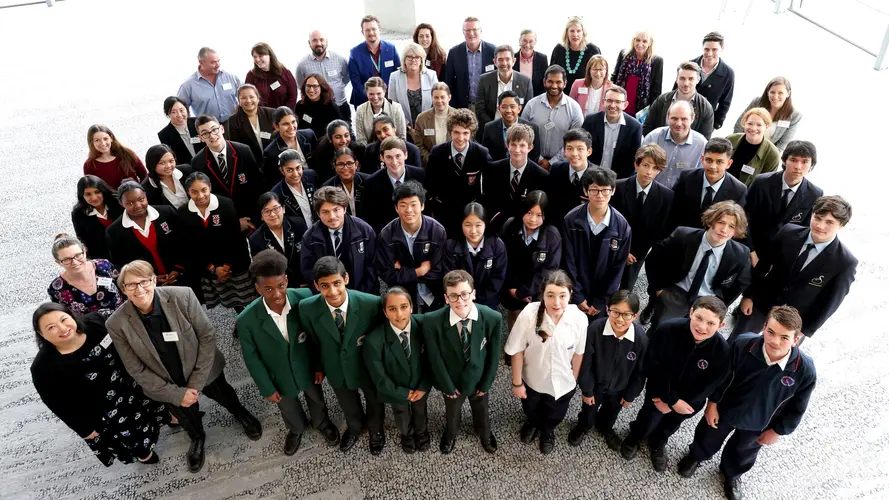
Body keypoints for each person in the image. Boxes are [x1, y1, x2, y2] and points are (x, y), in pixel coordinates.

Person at [107, 261, 262, 473]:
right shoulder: (116, 323)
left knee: (225, 395)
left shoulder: (183, 296)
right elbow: (135, 369)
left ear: (154, 280)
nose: (139, 289)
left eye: (144, 281)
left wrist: (195, 385)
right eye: (131, 285)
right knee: (186, 417)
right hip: (166, 383)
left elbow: (207, 336)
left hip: (203, 367)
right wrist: (176, 393)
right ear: (123, 289)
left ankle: (240, 413)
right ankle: (197, 437)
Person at [679, 306, 816, 500]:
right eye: (770, 332)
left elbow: (798, 407)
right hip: (726, 410)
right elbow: (722, 377)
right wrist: (712, 404)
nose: (775, 341)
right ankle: (697, 456)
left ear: (796, 340)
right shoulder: (742, 345)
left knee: (743, 451)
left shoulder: (804, 370)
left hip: (761, 423)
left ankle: (732, 474)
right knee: (708, 436)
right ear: (765, 326)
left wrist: (777, 431)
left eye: (784, 337)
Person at [31, 303, 169, 466]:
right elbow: (57, 404)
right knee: (134, 435)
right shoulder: (43, 367)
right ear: (41, 334)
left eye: (64, 319)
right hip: (105, 410)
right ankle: (145, 455)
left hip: (131, 384)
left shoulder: (96, 322)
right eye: (51, 327)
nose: (62, 328)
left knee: (157, 406)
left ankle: (171, 419)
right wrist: (84, 429)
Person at [236, 250, 341, 456]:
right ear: (258, 289)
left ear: (286, 280)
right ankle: (296, 428)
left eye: (281, 286)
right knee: (288, 406)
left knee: (316, 397)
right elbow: (252, 358)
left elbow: (314, 338)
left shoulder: (304, 298)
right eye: (268, 289)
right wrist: (266, 387)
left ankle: (321, 422)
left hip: (307, 366)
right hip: (278, 375)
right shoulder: (246, 320)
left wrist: (319, 365)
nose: (276, 294)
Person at [619, 297, 731, 472]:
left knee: (670, 426)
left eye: (711, 323)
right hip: (658, 392)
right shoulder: (667, 329)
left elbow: (711, 384)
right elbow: (654, 366)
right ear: (691, 312)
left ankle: (657, 444)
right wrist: (670, 399)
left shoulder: (722, 351)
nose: (702, 327)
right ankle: (635, 437)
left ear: (721, 326)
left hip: (688, 403)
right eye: (699, 318)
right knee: (647, 418)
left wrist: (676, 404)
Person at [731, 195, 857, 342]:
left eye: (829, 222)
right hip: (760, 304)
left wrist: (805, 330)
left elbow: (830, 303)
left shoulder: (845, 262)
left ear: (841, 225)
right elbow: (762, 266)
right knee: (737, 341)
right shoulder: (788, 233)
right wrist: (748, 295)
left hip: (793, 322)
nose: (820, 226)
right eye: (817, 218)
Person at [299, 257, 386, 454]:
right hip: (335, 366)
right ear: (316, 286)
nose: (332, 291)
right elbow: (312, 341)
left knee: (374, 399)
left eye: (337, 283)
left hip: (367, 366)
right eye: (324, 286)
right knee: (347, 401)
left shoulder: (371, 304)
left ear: (346, 278)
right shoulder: (307, 308)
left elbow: (382, 338)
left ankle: (376, 430)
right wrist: (318, 366)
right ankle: (354, 427)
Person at [506, 270, 585, 454]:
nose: (556, 302)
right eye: (550, 295)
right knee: (531, 407)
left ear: (570, 294)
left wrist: (573, 378)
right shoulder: (529, 315)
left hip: (563, 383)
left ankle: (548, 431)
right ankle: (532, 423)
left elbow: (578, 353)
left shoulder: (580, 319)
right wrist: (517, 383)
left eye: (562, 296)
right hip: (533, 379)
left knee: (555, 413)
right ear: (542, 295)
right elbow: (517, 349)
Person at [424, 270, 502, 454]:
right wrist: (447, 386)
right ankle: (450, 434)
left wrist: (486, 383)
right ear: (446, 298)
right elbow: (435, 357)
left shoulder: (492, 318)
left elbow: (493, 355)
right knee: (452, 411)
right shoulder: (432, 321)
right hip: (452, 381)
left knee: (482, 410)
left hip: (479, 379)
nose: (460, 300)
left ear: (473, 293)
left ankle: (485, 433)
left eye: (464, 294)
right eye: (453, 296)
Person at [644, 201, 752, 330]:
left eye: (731, 226)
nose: (724, 230)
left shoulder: (741, 254)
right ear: (711, 221)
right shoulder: (682, 236)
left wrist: (720, 305)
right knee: (659, 332)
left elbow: (740, 284)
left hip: (707, 302)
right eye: (721, 222)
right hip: (675, 295)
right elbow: (654, 258)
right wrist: (658, 289)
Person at [568, 290, 648, 449]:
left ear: (635, 316)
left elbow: (641, 372)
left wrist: (630, 394)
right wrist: (587, 390)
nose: (620, 319)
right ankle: (583, 426)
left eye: (626, 315)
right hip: (596, 385)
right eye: (615, 312)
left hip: (620, 388)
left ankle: (605, 427)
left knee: (611, 412)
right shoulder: (595, 329)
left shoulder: (641, 339)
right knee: (588, 410)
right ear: (607, 309)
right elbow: (586, 363)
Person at [363, 287, 432, 454]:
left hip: (419, 384)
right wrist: (402, 393)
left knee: (420, 409)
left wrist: (424, 386)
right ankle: (406, 434)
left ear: (412, 307)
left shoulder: (425, 327)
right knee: (400, 412)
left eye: (404, 307)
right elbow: (379, 377)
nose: (399, 314)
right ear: (385, 312)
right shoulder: (374, 340)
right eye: (392, 309)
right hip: (395, 388)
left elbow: (433, 361)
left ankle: (422, 432)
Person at [177, 172, 257, 312]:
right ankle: (240, 317)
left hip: (232, 262)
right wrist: (213, 268)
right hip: (208, 265)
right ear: (188, 192)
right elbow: (191, 246)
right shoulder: (183, 213)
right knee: (231, 299)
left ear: (210, 187)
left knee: (246, 296)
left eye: (203, 190)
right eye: (194, 192)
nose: (200, 196)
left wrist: (226, 266)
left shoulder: (225, 204)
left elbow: (235, 239)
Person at [562, 167, 631, 319]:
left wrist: (602, 301)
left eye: (605, 190)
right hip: (575, 292)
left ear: (612, 191)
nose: (600, 195)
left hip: (602, 297)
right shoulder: (571, 220)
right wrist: (577, 296)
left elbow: (618, 269)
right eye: (594, 190)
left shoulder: (622, 226)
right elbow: (568, 261)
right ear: (586, 191)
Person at [743, 141, 823, 267]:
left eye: (805, 162)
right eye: (793, 160)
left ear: (811, 165)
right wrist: (751, 251)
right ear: (784, 161)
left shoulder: (815, 194)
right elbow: (744, 218)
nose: (798, 166)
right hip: (749, 249)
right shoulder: (761, 182)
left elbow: (804, 231)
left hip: (780, 259)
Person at [375, 181, 446, 312]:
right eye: (403, 205)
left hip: (433, 295)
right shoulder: (386, 235)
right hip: (401, 297)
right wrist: (418, 271)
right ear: (396, 208)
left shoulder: (437, 231)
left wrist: (403, 272)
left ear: (422, 206)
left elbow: (438, 271)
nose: (409, 210)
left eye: (414, 205)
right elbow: (386, 274)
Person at [610, 144, 674, 291]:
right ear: (636, 164)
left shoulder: (666, 195)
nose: (649, 172)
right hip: (613, 246)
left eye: (655, 168)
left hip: (638, 254)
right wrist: (622, 250)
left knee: (626, 289)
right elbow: (611, 221)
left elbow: (659, 229)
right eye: (646, 165)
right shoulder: (618, 187)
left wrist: (638, 253)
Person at [105, 182, 186, 287]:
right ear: (121, 203)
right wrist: (150, 278)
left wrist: (178, 268)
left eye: (141, 199)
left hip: (183, 274)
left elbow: (185, 241)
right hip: (147, 285)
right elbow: (121, 264)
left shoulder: (167, 213)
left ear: (146, 196)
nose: (138, 206)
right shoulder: (114, 231)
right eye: (130, 203)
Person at [500, 191, 562, 329]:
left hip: (537, 288)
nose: (533, 219)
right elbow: (504, 260)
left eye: (539, 215)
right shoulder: (510, 226)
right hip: (513, 286)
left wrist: (527, 291)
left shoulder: (552, 235)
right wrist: (514, 289)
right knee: (515, 316)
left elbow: (549, 269)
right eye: (529, 213)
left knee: (535, 322)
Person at [426, 108, 493, 235]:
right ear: (450, 131)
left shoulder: (481, 153)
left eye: (465, 133)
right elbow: (429, 185)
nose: (460, 138)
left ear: (471, 133)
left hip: (470, 213)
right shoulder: (437, 152)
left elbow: (489, 186)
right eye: (456, 132)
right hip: (444, 212)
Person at [300, 186, 377, 294]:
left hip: (362, 294)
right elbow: (308, 272)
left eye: (336, 210)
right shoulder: (310, 237)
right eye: (325, 212)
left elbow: (372, 267)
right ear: (318, 214)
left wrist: (361, 295)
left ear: (344, 209)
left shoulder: (364, 230)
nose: (332, 216)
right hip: (327, 296)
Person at [190, 115, 264, 227]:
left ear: (222, 129)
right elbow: (207, 199)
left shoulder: (243, 151)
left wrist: (255, 217)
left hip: (252, 215)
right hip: (226, 220)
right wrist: (234, 222)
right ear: (200, 137)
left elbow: (257, 186)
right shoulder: (198, 162)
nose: (212, 135)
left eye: (214, 129)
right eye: (205, 133)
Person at [668, 137, 748, 232]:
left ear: (729, 164)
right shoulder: (686, 178)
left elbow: (735, 226)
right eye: (709, 160)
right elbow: (671, 212)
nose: (713, 166)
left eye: (719, 162)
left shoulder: (738, 190)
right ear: (702, 159)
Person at [481, 123, 548, 228]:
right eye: (513, 145)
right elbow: (488, 202)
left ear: (530, 147)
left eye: (522, 145)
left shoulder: (542, 176)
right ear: (507, 145)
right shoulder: (492, 170)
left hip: (524, 229)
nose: (517, 150)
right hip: (496, 227)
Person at [443, 203, 508, 310]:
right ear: (461, 224)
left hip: (488, 303)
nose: (473, 231)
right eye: (468, 225)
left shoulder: (497, 245)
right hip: (459, 302)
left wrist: (481, 306)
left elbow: (498, 278)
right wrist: (464, 300)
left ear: (485, 224)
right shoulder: (451, 246)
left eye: (478, 225)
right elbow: (449, 277)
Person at [520, 65, 584, 169]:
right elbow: (523, 135)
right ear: (544, 82)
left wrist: (553, 162)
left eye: (558, 82)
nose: (554, 86)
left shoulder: (574, 108)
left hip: (563, 165)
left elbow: (574, 140)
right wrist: (539, 159)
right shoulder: (531, 105)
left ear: (565, 83)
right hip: (533, 163)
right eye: (550, 81)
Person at [360, 136, 426, 234]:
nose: (394, 162)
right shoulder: (371, 183)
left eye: (398, 156)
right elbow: (370, 218)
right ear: (382, 158)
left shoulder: (421, 176)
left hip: (419, 232)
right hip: (387, 235)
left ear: (405, 155)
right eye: (389, 157)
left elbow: (427, 210)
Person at [47, 234, 124, 317]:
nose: (75, 262)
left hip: (124, 321)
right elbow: (62, 317)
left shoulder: (104, 266)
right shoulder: (57, 289)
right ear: (58, 262)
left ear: (84, 252)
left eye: (78, 255)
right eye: (66, 260)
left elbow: (125, 289)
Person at [641, 101, 708, 188]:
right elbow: (640, 169)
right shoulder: (653, 138)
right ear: (668, 117)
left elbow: (702, 177)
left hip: (682, 197)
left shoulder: (701, 145)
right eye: (674, 118)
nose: (678, 123)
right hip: (652, 193)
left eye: (684, 119)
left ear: (692, 118)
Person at [581, 86, 643, 178]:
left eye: (618, 102)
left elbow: (633, 159)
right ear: (603, 102)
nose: (613, 105)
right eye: (609, 100)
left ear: (625, 105)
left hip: (618, 179)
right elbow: (582, 149)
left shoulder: (635, 127)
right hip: (590, 175)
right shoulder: (590, 121)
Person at [249, 192, 309, 288]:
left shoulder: (298, 224)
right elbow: (261, 271)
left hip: (305, 282)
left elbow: (309, 254)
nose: (272, 214)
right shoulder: (255, 239)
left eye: (276, 209)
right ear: (261, 216)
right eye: (267, 211)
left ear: (283, 209)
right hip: (280, 287)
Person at [643, 61, 715, 139]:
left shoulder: (706, 108)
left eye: (691, 79)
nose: (686, 83)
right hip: (659, 148)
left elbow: (704, 139)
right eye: (682, 78)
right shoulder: (662, 100)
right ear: (677, 79)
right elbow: (647, 127)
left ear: (698, 80)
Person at [297, 30, 352, 123]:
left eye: (321, 40)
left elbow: (346, 78)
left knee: (346, 134)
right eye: (314, 40)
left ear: (327, 41)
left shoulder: (340, 60)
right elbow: (301, 85)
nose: (319, 43)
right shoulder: (302, 65)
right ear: (309, 43)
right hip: (316, 111)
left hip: (340, 105)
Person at [733, 77, 800, 152]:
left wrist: (766, 158)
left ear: (788, 93)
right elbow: (740, 124)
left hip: (766, 153)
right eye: (772, 92)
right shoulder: (757, 102)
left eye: (780, 93)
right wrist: (738, 146)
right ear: (767, 92)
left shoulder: (795, 116)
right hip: (742, 145)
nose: (775, 96)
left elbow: (782, 144)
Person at [475, 45, 534, 131]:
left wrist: (516, 129)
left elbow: (528, 110)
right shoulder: (484, 80)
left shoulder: (526, 81)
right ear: (495, 62)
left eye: (507, 59)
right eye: (500, 60)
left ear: (513, 61)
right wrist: (493, 128)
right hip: (491, 130)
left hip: (518, 132)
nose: (504, 63)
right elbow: (480, 110)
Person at [685, 32, 735, 131]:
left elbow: (725, 103)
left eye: (714, 49)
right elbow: (675, 91)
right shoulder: (689, 65)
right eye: (706, 49)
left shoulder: (728, 73)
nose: (709, 53)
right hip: (682, 116)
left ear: (722, 49)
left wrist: (715, 124)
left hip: (704, 122)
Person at [444, 16, 496, 111]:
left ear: (481, 31)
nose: (471, 33)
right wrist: (453, 107)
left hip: (487, 107)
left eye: (474, 29)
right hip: (462, 107)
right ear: (463, 32)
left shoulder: (493, 50)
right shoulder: (454, 53)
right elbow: (449, 83)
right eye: (467, 30)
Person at [177, 47, 242, 123]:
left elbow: (246, 96)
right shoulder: (188, 85)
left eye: (218, 61)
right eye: (213, 62)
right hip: (209, 130)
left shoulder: (231, 78)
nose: (217, 65)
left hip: (235, 125)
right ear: (201, 62)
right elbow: (180, 110)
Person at [545, 128, 596, 223]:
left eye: (580, 149)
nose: (574, 154)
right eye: (569, 148)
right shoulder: (556, 169)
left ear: (589, 151)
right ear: (564, 151)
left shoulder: (597, 176)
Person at [476, 90, 541, 163]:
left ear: (519, 108)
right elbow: (487, 155)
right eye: (504, 107)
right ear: (499, 109)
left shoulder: (532, 128)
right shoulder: (489, 128)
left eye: (512, 106)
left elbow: (534, 155)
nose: (508, 110)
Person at [349, 15, 401, 107]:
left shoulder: (391, 49)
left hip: (388, 99)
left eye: (374, 29)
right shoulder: (355, 53)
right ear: (362, 32)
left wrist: (384, 96)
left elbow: (398, 74)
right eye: (367, 30)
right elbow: (356, 82)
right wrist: (373, 98)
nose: (371, 32)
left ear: (379, 30)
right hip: (365, 101)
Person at [611, 30, 664, 116]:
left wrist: (652, 112)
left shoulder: (657, 61)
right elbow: (615, 77)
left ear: (650, 43)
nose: (640, 44)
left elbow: (656, 90)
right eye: (638, 40)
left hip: (640, 109)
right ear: (633, 40)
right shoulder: (624, 54)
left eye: (644, 41)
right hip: (619, 103)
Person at [262, 106, 317, 188]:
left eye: (293, 122)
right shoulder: (270, 153)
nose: (291, 127)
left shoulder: (309, 135)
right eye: (286, 124)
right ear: (276, 126)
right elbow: (272, 181)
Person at [71, 175, 122, 260]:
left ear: (103, 191)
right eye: (88, 194)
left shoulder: (117, 202)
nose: (94, 197)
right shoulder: (78, 214)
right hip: (102, 259)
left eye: (97, 192)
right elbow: (83, 241)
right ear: (82, 196)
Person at [388, 42, 439, 128]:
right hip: (403, 126)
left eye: (417, 57)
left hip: (428, 126)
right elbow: (392, 106)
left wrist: (425, 126)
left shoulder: (431, 75)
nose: (413, 60)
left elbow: (436, 103)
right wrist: (408, 128)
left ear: (421, 60)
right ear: (404, 59)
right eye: (410, 57)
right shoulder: (394, 77)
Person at [726, 108, 780, 186]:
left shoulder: (772, 154)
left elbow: (765, 184)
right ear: (745, 124)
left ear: (766, 126)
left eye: (759, 125)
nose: (753, 128)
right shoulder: (730, 140)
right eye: (750, 123)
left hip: (745, 195)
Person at [83, 125, 148, 189]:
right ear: (91, 142)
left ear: (111, 138)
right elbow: (94, 190)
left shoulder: (127, 154)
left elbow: (144, 175)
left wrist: (140, 193)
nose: (103, 143)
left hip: (135, 198)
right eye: (97, 140)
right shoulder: (89, 165)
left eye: (105, 139)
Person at [223, 84, 277, 161]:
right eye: (244, 98)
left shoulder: (272, 113)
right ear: (239, 101)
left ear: (258, 99)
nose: (248, 100)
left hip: (274, 159)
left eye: (251, 97)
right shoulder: (233, 121)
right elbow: (236, 147)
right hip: (251, 162)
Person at [550, 17, 602, 90]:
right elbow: (551, 74)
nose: (575, 34)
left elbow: (599, 75)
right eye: (572, 31)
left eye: (578, 31)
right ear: (567, 33)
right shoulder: (559, 49)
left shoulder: (593, 50)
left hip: (585, 94)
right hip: (561, 94)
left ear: (583, 32)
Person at [271, 148, 318, 228]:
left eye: (298, 168)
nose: (295, 174)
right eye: (289, 170)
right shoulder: (277, 194)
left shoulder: (311, 176)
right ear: (282, 171)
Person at [354, 77, 408, 146]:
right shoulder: (360, 110)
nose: (375, 97)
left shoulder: (396, 108)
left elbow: (401, 136)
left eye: (378, 93)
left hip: (393, 149)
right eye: (371, 94)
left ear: (384, 92)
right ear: (366, 93)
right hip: (369, 151)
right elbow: (360, 139)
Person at [245, 42, 297, 110]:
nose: (257, 59)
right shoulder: (251, 76)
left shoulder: (285, 73)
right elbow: (248, 99)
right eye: (255, 57)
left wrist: (284, 114)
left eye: (260, 56)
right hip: (262, 116)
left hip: (284, 116)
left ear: (269, 55)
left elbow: (292, 97)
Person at [141, 144, 193, 210]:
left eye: (171, 161)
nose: (168, 166)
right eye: (162, 163)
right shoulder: (146, 189)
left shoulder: (186, 170)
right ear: (152, 165)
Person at [413, 82, 454, 164]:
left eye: (442, 97)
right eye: (436, 97)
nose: (439, 101)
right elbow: (419, 146)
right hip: (430, 165)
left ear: (449, 97)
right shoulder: (421, 119)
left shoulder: (458, 117)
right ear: (432, 98)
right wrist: (432, 161)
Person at [322, 146, 369, 215]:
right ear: (335, 166)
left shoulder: (368, 181)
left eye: (349, 163)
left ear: (356, 164)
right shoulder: (328, 187)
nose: (345, 168)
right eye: (340, 164)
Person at [294, 74, 343, 140]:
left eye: (315, 86)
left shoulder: (331, 107)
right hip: (305, 142)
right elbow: (297, 127)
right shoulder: (300, 105)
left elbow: (338, 131)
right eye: (308, 86)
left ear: (322, 87)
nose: (311, 90)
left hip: (325, 143)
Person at [157, 96, 202, 163]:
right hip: (186, 169)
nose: (179, 115)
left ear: (186, 109)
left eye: (181, 110)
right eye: (173, 112)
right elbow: (172, 158)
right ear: (168, 114)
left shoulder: (197, 122)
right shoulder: (164, 135)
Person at [515, 29, 549, 97]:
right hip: (515, 100)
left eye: (531, 41)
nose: (527, 45)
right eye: (524, 41)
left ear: (535, 42)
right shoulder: (512, 58)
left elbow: (545, 83)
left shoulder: (542, 59)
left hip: (536, 99)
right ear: (519, 41)